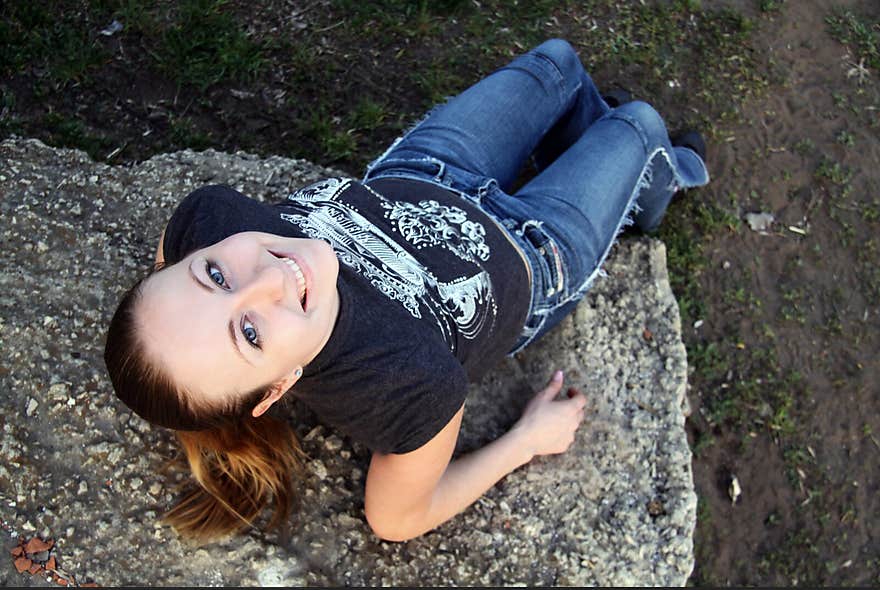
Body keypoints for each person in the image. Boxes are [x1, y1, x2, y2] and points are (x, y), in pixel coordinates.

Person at [103, 39, 709, 544]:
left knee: (557, 63)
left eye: (213, 276)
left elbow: (177, 269)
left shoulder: (204, 222)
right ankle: (657, 186)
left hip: (426, 170)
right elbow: (395, 520)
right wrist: (526, 441)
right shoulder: (403, 387)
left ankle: (581, 136)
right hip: (532, 253)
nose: (269, 279)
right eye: (251, 333)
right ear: (281, 386)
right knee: (640, 124)